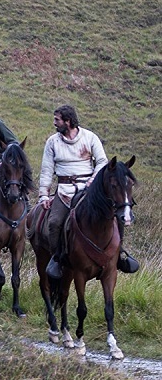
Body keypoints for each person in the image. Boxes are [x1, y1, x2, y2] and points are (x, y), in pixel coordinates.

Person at [37, 105, 136, 276]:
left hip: (89, 188)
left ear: (67, 121)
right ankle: (57, 258)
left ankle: (120, 254)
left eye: (57, 120)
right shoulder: (52, 142)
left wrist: (92, 180)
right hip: (64, 191)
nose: (54, 123)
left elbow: (102, 162)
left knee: (115, 215)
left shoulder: (90, 137)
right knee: (54, 222)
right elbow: (46, 169)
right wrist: (43, 195)